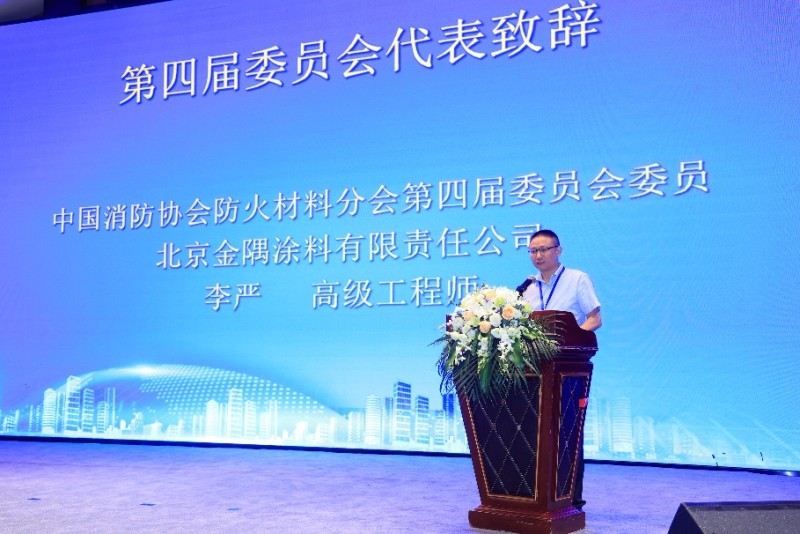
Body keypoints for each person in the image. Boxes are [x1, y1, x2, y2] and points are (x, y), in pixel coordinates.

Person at [516, 229, 601, 510]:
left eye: (543, 249)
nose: (538, 256)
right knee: (536, 432)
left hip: (567, 369)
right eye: (533, 251)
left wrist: (572, 340)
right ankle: (538, 496)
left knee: (568, 430)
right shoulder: (527, 288)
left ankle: (571, 498)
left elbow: (594, 319)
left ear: (558, 250)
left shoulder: (577, 279)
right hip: (536, 370)